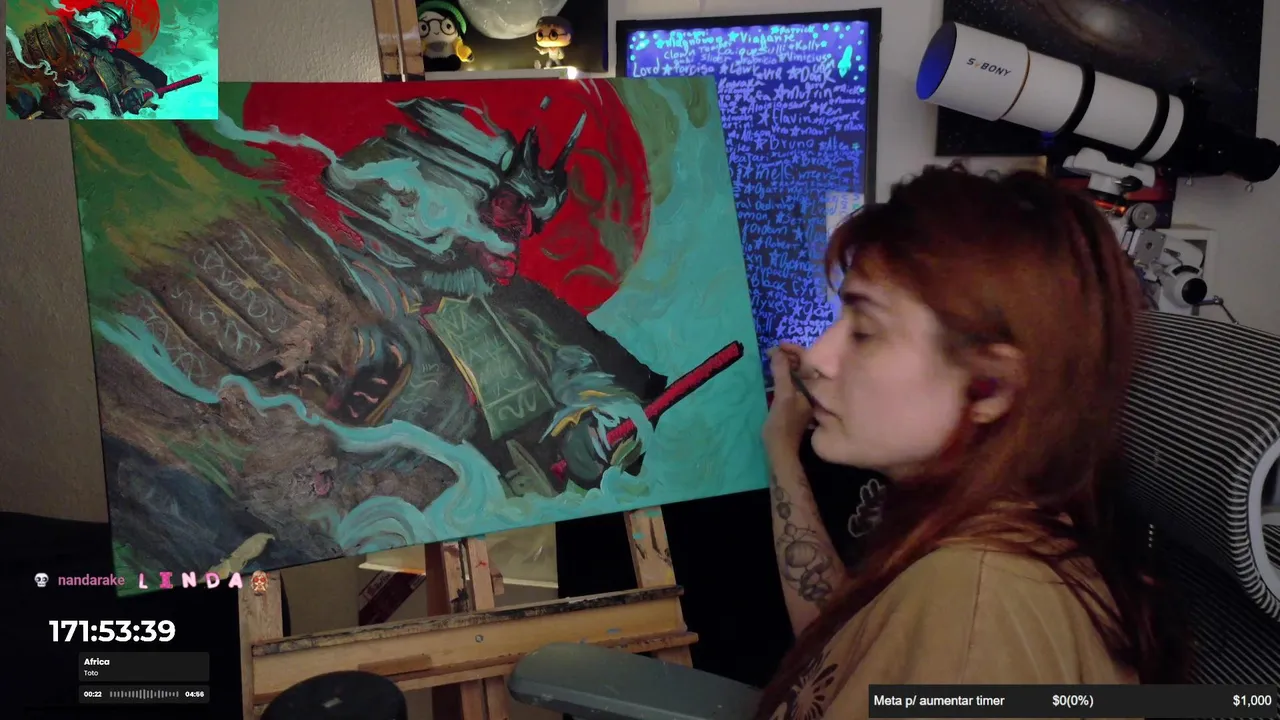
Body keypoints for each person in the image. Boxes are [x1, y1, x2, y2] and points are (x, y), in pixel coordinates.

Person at [757, 166, 1185, 719]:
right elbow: (835, 657)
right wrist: (782, 448)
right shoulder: (983, 537)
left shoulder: (979, 612)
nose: (817, 357)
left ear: (992, 386)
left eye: (864, 330)